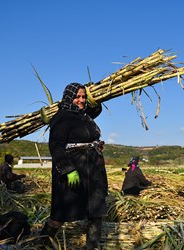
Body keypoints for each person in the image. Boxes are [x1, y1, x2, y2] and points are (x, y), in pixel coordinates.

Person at [40, 83, 108, 250]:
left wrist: (95, 97)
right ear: (69, 97)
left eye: (84, 97)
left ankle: (92, 246)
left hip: (92, 169)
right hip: (74, 168)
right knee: (61, 212)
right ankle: (42, 243)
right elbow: (56, 146)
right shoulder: (61, 118)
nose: (81, 100)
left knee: (96, 209)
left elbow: (96, 108)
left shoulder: (84, 116)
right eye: (77, 97)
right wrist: (68, 169)